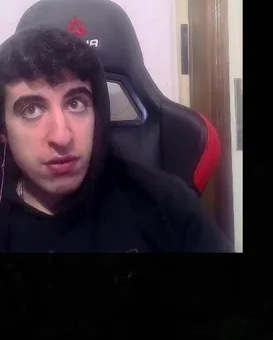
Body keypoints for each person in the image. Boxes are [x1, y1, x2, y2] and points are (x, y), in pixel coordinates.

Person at [0, 26, 230, 253]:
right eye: (31, 110)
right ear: (4, 129)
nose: (62, 137)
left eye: (75, 104)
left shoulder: (168, 205)